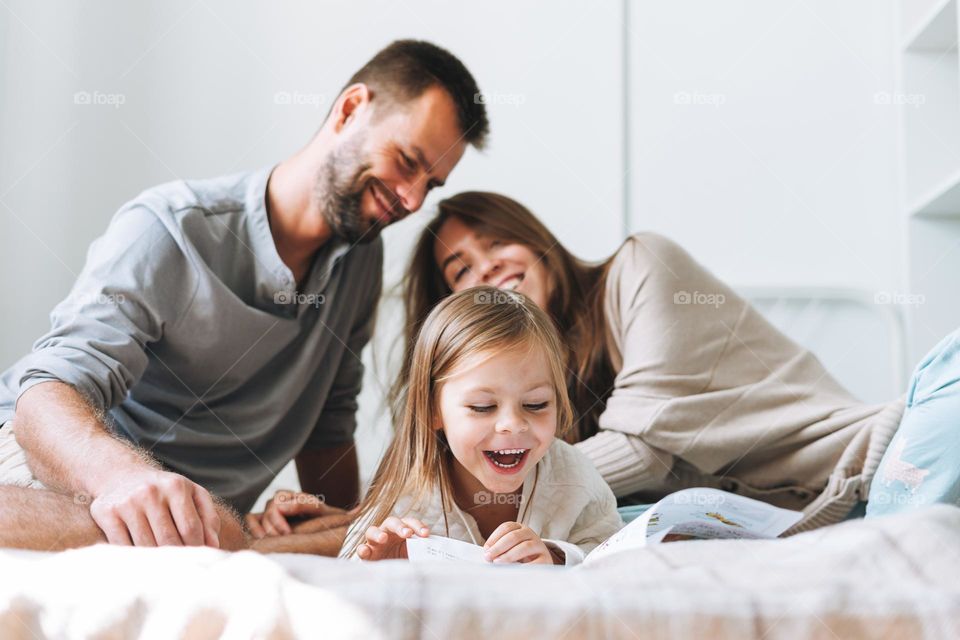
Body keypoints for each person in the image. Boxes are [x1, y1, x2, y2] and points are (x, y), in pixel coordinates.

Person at [0, 39, 489, 554]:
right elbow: (47, 387)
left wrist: (346, 531)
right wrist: (123, 480)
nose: (411, 200)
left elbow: (330, 419)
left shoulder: (361, 260)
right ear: (350, 110)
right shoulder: (171, 229)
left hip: (206, 525)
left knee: (388, 530)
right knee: (191, 533)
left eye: (430, 185)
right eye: (406, 161)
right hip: (52, 473)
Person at [396, 191, 921, 533]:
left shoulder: (643, 265)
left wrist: (446, 488)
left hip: (875, 461)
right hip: (781, 525)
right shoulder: (540, 395)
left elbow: (645, 453)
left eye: (496, 242)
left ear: (538, 241)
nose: (486, 266)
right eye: (460, 269)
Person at [341, 286, 623, 565]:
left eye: (536, 404)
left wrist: (558, 558)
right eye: (482, 407)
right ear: (432, 410)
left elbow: (618, 557)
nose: (513, 425)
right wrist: (378, 570)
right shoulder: (405, 496)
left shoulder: (573, 474)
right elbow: (344, 584)